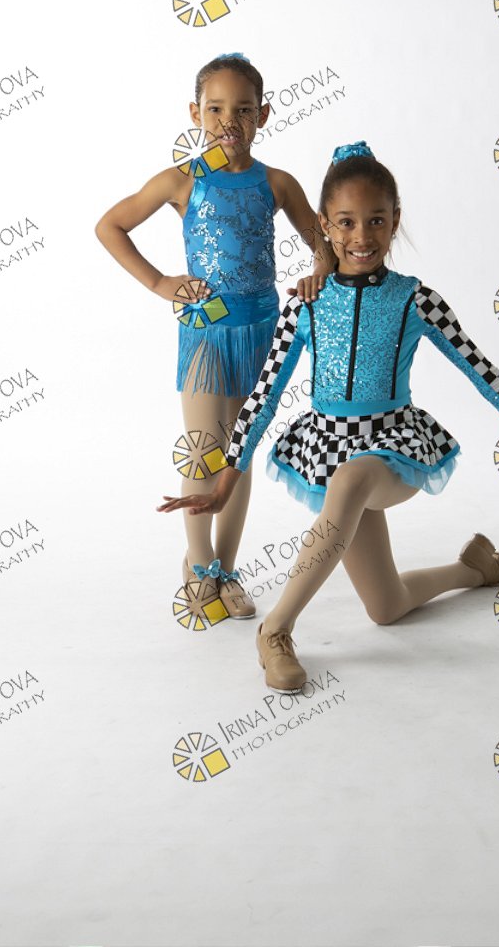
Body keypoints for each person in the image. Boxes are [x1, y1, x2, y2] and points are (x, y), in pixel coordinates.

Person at [157, 142, 499, 688]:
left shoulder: (415, 300)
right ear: (325, 225)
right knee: (386, 606)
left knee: (350, 481)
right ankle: (475, 567)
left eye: (376, 220)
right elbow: (264, 396)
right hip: (329, 447)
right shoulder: (304, 304)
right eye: (346, 222)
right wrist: (227, 479)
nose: (362, 236)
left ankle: (275, 631)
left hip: (393, 448)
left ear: (396, 220)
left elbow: (484, 373)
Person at [96, 53, 335, 620]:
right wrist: (160, 282)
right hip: (205, 332)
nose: (231, 121)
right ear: (195, 113)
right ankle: (198, 563)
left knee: (238, 451)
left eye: (244, 109)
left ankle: (226, 567)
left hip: (260, 329)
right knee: (205, 447)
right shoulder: (182, 180)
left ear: (264, 115)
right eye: (217, 109)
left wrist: (318, 271)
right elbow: (110, 225)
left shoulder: (277, 183)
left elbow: (322, 244)